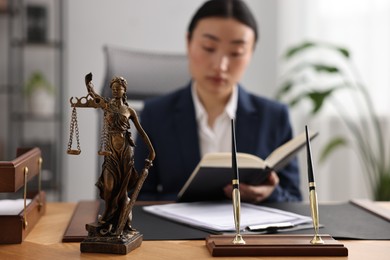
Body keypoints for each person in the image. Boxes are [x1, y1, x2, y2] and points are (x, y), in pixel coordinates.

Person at [134, 0, 302, 203]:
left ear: (250, 54)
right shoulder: (155, 114)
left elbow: (294, 199)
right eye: (209, 48)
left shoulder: (275, 117)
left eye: (236, 53)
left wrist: (270, 194)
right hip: (179, 234)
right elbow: (137, 197)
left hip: (249, 233)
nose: (221, 65)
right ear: (188, 43)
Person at [85, 74, 155, 236]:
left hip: (125, 153)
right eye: (114, 88)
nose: (116, 91)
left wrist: (151, 150)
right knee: (109, 187)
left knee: (122, 191)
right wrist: (88, 85)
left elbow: (142, 133)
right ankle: (108, 217)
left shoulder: (129, 111)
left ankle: (120, 223)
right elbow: (94, 96)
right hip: (110, 153)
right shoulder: (107, 105)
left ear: (124, 91)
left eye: (119, 88)